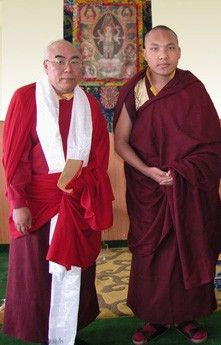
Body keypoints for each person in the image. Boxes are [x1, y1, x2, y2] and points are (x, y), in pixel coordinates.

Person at [114, 25, 221, 344]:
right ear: (144, 52)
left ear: (179, 50)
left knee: (189, 245)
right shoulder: (134, 89)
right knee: (153, 254)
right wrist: (150, 172)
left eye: (170, 47)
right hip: (150, 190)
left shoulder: (193, 88)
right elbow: (120, 142)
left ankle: (188, 316)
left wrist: (183, 171)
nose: (164, 55)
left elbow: (213, 144)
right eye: (156, 48)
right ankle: (154, 318)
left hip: (188, 187)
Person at [2, 39, 113, 345]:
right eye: (60, 60)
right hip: (38, 203)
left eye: (75, 61)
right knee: (36, 276)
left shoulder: (88, 104)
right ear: (46, 66)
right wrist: (18, 202)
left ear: (82, 67)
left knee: (75, 270)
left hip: (76, 202)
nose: (68, 67)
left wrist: (85, 189)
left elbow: (99, 157)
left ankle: (69, 334)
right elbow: (14, 156)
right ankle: (40, 336)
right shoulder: (26, 98)